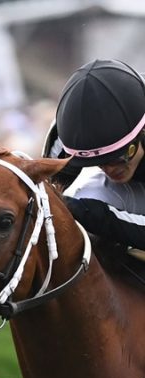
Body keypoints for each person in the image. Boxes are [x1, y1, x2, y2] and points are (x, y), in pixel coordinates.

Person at [43, 58, 145, 249]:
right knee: (86, 198)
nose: (109, 169)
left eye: (118, 157)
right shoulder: (69, 133)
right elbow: (43, 194)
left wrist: (95, 216)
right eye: (100, 162)